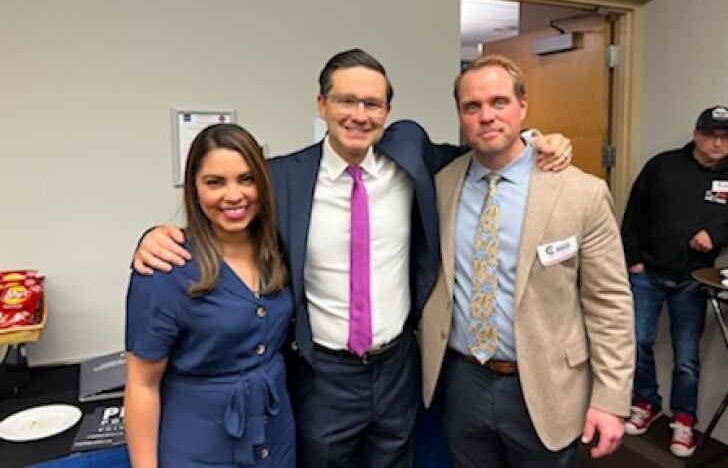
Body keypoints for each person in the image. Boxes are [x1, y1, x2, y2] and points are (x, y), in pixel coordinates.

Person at [131, 49, 572, 468]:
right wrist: (155, 236)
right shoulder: (281, 177)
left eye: (373, 104)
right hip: (324, 374)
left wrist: (535, 140)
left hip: (398, 365)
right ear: (322, 104)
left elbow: (481, 152)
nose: (360, 114)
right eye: (346, 100)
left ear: (387, 112)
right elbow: (229, 210)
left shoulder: (411, 155)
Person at [418, 54, 635, 468]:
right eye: (472, 106)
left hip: (547, 386)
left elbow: (610, 304)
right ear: (460, 115)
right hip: (463, 381)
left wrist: (611, 399)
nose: (486, 116)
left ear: (523, 106)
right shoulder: (441, 184)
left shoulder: (580, 193)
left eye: (499, 102)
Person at [124, 123, 295, 468]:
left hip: (276, 438)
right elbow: (142, 385)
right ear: (194, 189)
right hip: (201, 447)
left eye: (246, 179)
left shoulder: (279, 248)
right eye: (215, 182)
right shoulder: (165, 267)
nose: (234, 196)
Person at [620, 106, 728, 457]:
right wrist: (632, 260)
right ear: (696, 134)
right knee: (638, 342)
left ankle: (683, 421)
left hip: (692, 280)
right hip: (647, 272)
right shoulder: (663, 166)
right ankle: (645, 403)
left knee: (686, 358)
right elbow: (633, 212)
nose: (717, 142)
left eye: (725, 137)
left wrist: (715, 236)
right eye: (711, 135)